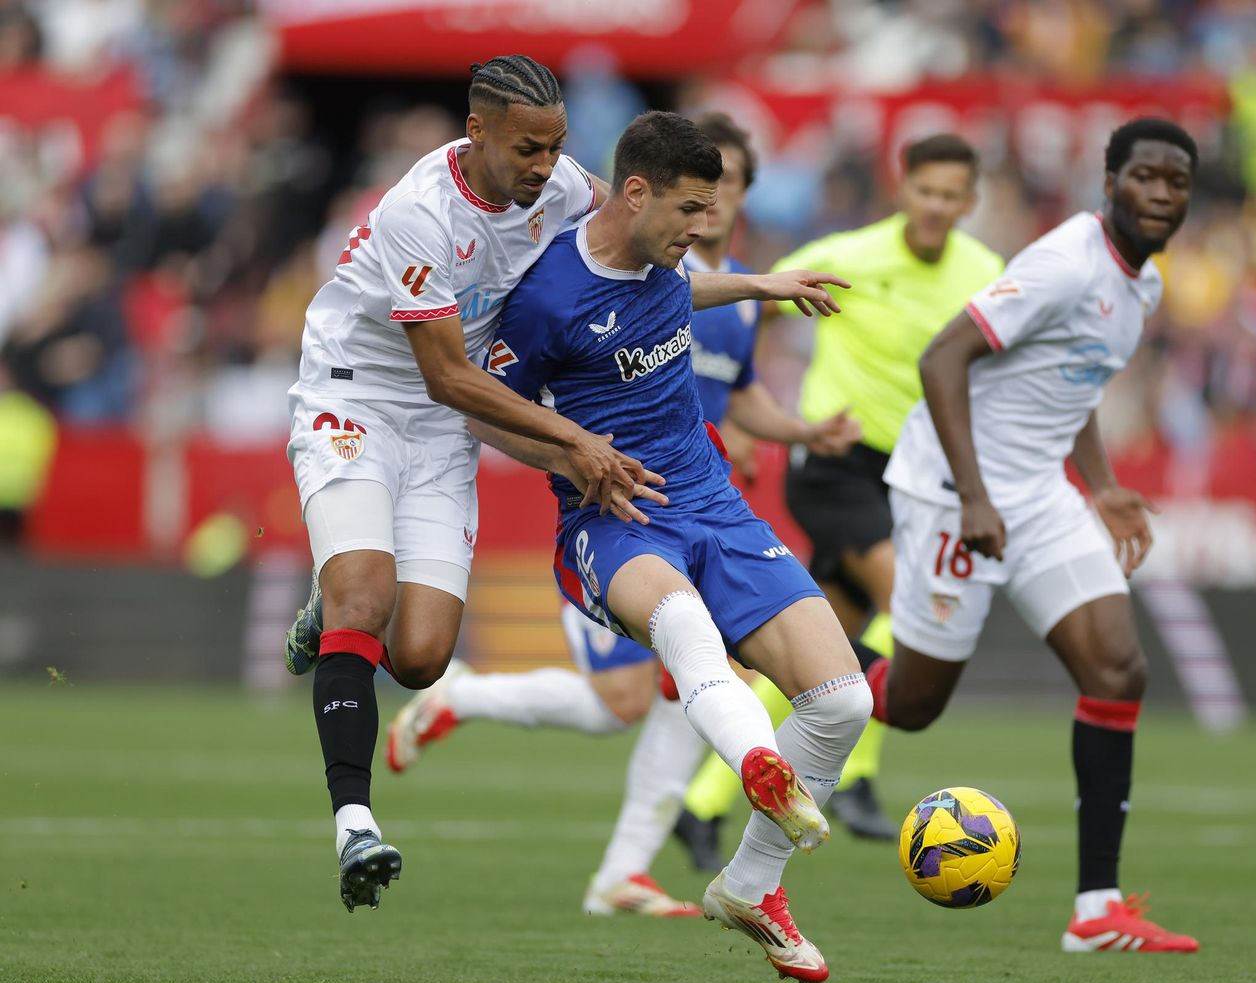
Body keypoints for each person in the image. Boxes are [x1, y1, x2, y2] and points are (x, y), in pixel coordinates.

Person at [281, 55, 849, 914]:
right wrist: (577, 440)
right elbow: (447, 378)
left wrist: (756, 285)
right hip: (360, 394)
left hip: (452, 424)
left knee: (424, 655)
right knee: (370, 596)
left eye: (555, 148)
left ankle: (346, 614)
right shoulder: (417, 215)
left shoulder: (569, 188)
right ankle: (356, 821)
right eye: (527, 150)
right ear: (476, 133)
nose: (546, 168)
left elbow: (641, 267)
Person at [460, 110, 871, 983]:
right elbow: (484, 409)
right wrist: (577, 455)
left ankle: (752, 887)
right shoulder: (545, 298)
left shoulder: (668, 261)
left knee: (842, 705)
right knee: (684, 625)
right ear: (635, 192)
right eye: (689, 211)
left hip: (714, 505)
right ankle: (757, 760)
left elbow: (685, 293)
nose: (700, 229)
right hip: (613, 520)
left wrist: (766, 285)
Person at [863, 118, 1202, 955]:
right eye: (1145, 176)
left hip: (1040, 494)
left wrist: (1104, 485)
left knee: (1118, 669)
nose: (1161, 193)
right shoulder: (1064, 262)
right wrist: (975, 496)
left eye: (1177, 182)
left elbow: (1073, 381)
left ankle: (1096, 911)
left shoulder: (1143, 284)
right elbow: (943, 359)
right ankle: (787, 655)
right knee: (911, 707)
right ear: (1109, 180)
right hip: (955, 490)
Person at [673, 133, 1005, 852]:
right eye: (926, 191)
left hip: (911, 477)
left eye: (953, 196)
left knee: (812, 653)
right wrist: (749, 414)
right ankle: (854, 779)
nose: (937, 207)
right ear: (902, 187)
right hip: (835, 463)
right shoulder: (850, 258)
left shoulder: (985, 273)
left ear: (970, 202)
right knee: (908, 603)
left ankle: (700, 805)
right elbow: (743, 308)